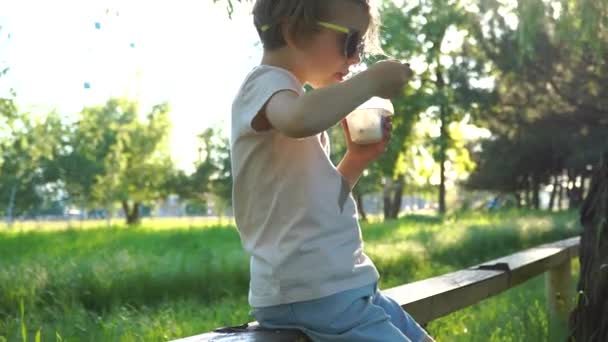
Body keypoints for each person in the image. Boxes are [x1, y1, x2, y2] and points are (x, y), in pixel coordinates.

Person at [230, 0, 434, 341]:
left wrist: (355, 159)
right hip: (308, 295)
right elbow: (299, 119)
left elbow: (317, 202)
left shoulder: (292, 99)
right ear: (294, 31)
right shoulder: (265, 86)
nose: (356, 58)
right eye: (351, 42)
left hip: (341, 290)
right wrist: (370, 81)